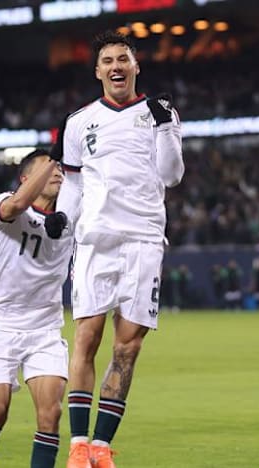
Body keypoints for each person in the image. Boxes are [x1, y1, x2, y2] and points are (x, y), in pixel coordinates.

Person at [43, 30, 184, 468]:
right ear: (97, 71)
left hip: (143, 240)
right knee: (86, 338)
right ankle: (78, 445)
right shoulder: (79, 121)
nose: (116, 66)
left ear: (136, 66)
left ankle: (101, 448)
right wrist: (62, 217)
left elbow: (172, 175)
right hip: (95, 240)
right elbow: (74, 182)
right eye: (108, 60)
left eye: (123, 59)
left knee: (128, 348)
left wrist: (165, 127)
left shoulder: (159, 112)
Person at [0, 148, 73, 468]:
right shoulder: (5, 205)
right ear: (27, 178)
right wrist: (54, 155)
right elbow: (16, 205)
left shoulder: (71, 217)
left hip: (45, 328)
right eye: (48, 168)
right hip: (1, 324)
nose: (57, 172)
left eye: (59, 168)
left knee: (51, 414)